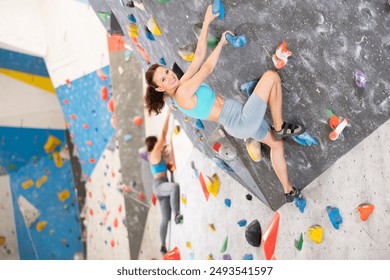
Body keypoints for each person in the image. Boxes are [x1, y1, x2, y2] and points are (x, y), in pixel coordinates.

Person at [144, 5, 305, 203]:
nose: (169, 77)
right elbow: (208, 67)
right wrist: (221, 44)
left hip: (237, 122)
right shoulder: (183, 93)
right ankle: (280, 127)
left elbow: (199, 57)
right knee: (271, 77)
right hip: (240, 120)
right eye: (163, 79)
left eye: (166, 71)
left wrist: (207, 23)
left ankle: (288, 191)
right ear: (159, 89)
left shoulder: (182, 85)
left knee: (276, 146)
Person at [144, 110, 183, 255]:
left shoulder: (155, 155)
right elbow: (163, 135)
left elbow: (167, 154)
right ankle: (177, 214)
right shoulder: (154, 153)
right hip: (160, 186)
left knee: (165, 218)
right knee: (174, 188)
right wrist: (167, 116)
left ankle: (162, 245)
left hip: (160, 186)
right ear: (154, 145)